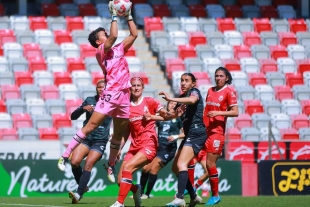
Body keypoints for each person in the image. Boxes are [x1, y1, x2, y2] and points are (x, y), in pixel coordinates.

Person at [57, 1, 138, 183]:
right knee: (90, 126)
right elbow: (115, 35)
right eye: (104, 34)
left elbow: (134, 34)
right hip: (110, 93)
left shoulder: (119, 49)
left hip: (124, 94)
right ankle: (65, 155)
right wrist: (115, 15)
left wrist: (129, 15)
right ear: (98, 41)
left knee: (117, 134)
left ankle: (110, 165)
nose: (108, 34)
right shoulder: (101, 52)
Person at [110, 77, 167, 207]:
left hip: (149, 144)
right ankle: (136, 190)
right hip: (134, 146)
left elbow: (165, 115)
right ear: (129, 88)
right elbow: (126, 132)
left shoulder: (150, 102)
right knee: (120, 181)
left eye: (138, 85)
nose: (136, 88)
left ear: (143, 87)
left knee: (128, 168)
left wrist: (152, 116)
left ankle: (120, 203)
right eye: (133, 86)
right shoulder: (126, 107)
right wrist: (119, 148)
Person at [159, 73, 206, 207]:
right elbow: (171, 116)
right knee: (175, 168)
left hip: (197, 132)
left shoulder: (194, 92)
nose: (183, 83)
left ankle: (179, 197)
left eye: (186, 81)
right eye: (181, 81)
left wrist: (170, 98)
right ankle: (193, 196)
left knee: (181, 164)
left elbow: (192, 101)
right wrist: (151, 116)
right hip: (189, 135)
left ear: (193, 83)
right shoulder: (181, 98)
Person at [67, 79, 113, 204]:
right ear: (96, 88)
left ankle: (78, 193)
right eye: (99, 87)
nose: (101, 89)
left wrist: (118, 133)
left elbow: (122, 117)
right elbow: (73, 117)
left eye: (104, 87)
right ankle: (83, 187)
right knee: (74, 162)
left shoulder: (112, 102)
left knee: (88, 164)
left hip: (100, 141)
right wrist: (83, 109)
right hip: (86, 138)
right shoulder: (90, 100)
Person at [203, 67, 239, 205]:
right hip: (206, 131)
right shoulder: (210, 90)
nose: (218, 78)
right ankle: (192, 188)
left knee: (210, 163)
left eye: (221, 76)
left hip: (217, 133)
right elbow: (207, 109)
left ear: (226, 78)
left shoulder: (229, 92)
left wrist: (219, 113)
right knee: (190, 157)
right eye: (216, 75)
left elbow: (235, 112)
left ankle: (215, 195)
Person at [138, 101, 184, 199]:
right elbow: (152, 126)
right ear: (167, 104)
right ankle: (140, 192)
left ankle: (147, 194)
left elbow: (185, 134)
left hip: (168, 149)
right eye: (171, 103)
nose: (173, 105)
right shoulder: (160, 117)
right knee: (145, 168)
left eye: (175, 104)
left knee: (153, 169)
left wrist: (176, 136)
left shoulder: (178, 118)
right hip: (157, 147)